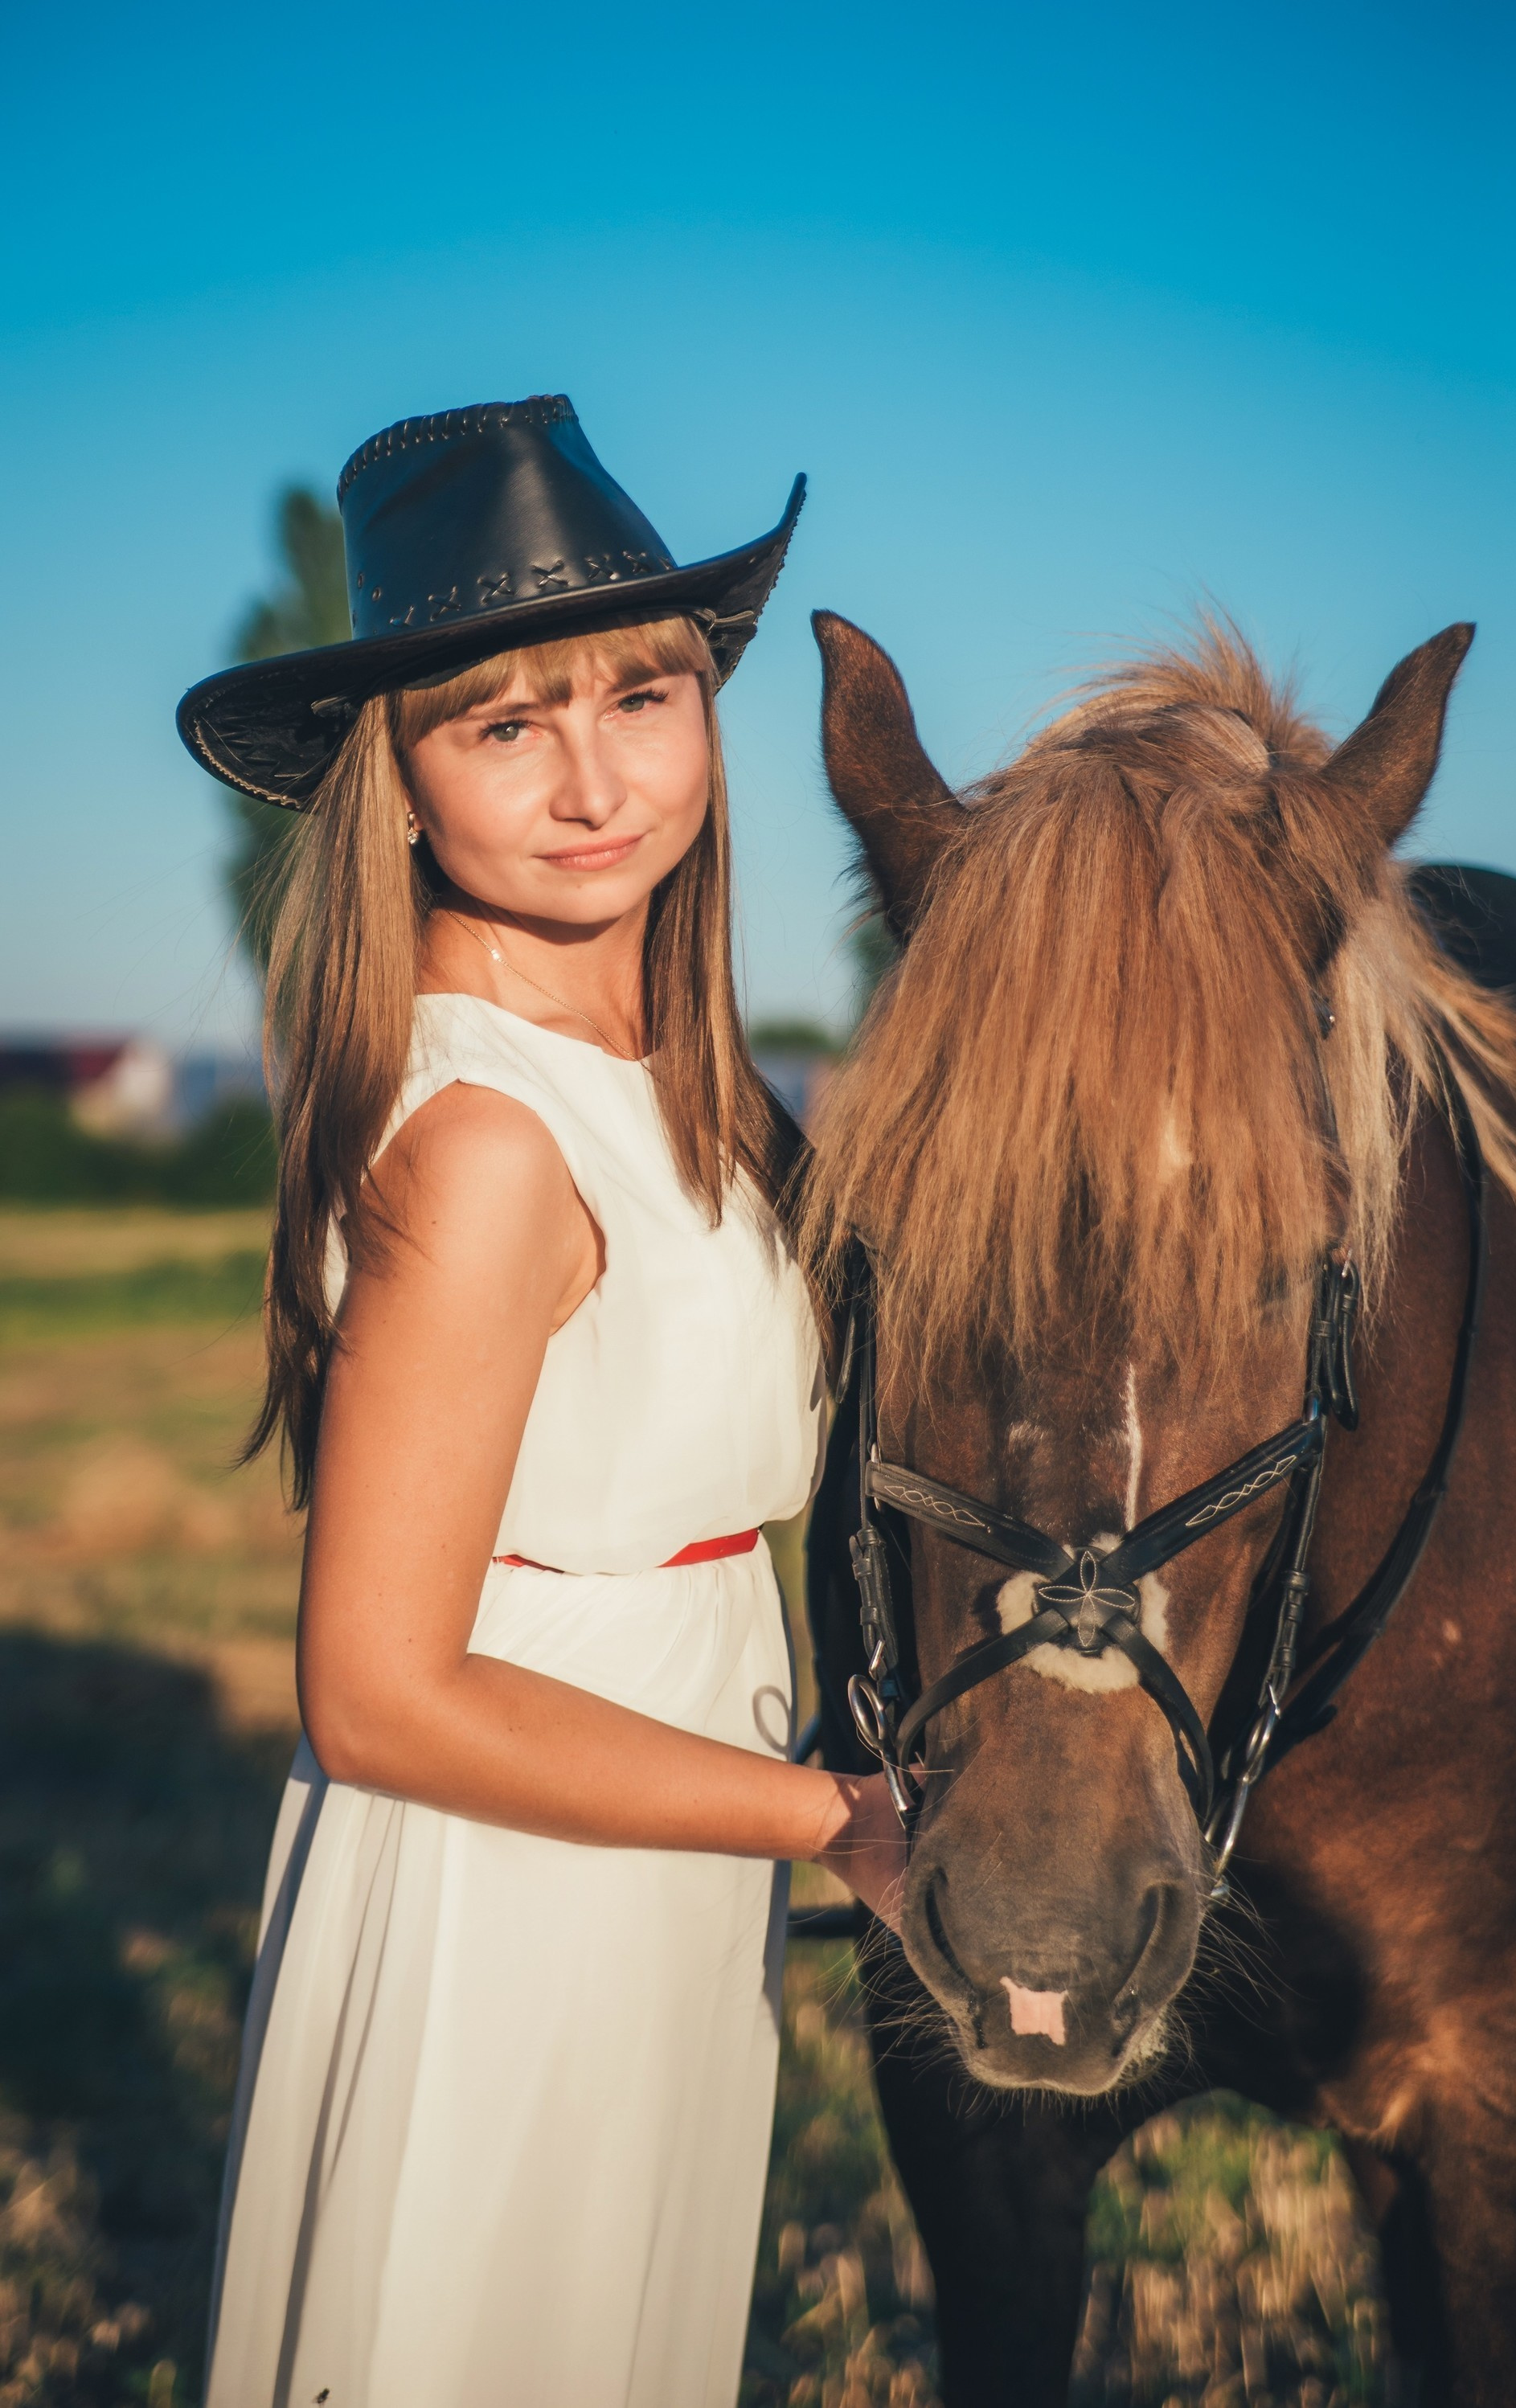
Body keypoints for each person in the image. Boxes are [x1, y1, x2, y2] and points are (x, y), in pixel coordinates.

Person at [177, 395, 906, 2408]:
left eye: (644, 696)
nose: (595, 779)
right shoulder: (489, 1135)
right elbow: (380, 1693)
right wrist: (828, 1821)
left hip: (655, 1831)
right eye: (503, 723)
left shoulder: (694, 1091)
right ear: (394, 781)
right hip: (514, 1888)